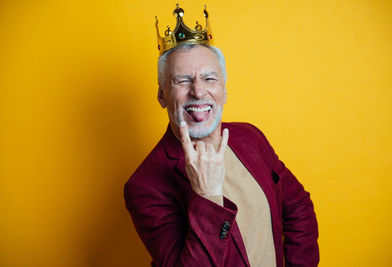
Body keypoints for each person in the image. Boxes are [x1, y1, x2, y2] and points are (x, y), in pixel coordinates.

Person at [124, 4, 319, 267]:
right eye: (182, 81)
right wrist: (207, 195)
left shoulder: (250, 138)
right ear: (162, 95)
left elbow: (298, 207)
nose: (198, 91)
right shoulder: (145, 186)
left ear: (224, 91)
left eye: (209, 78)